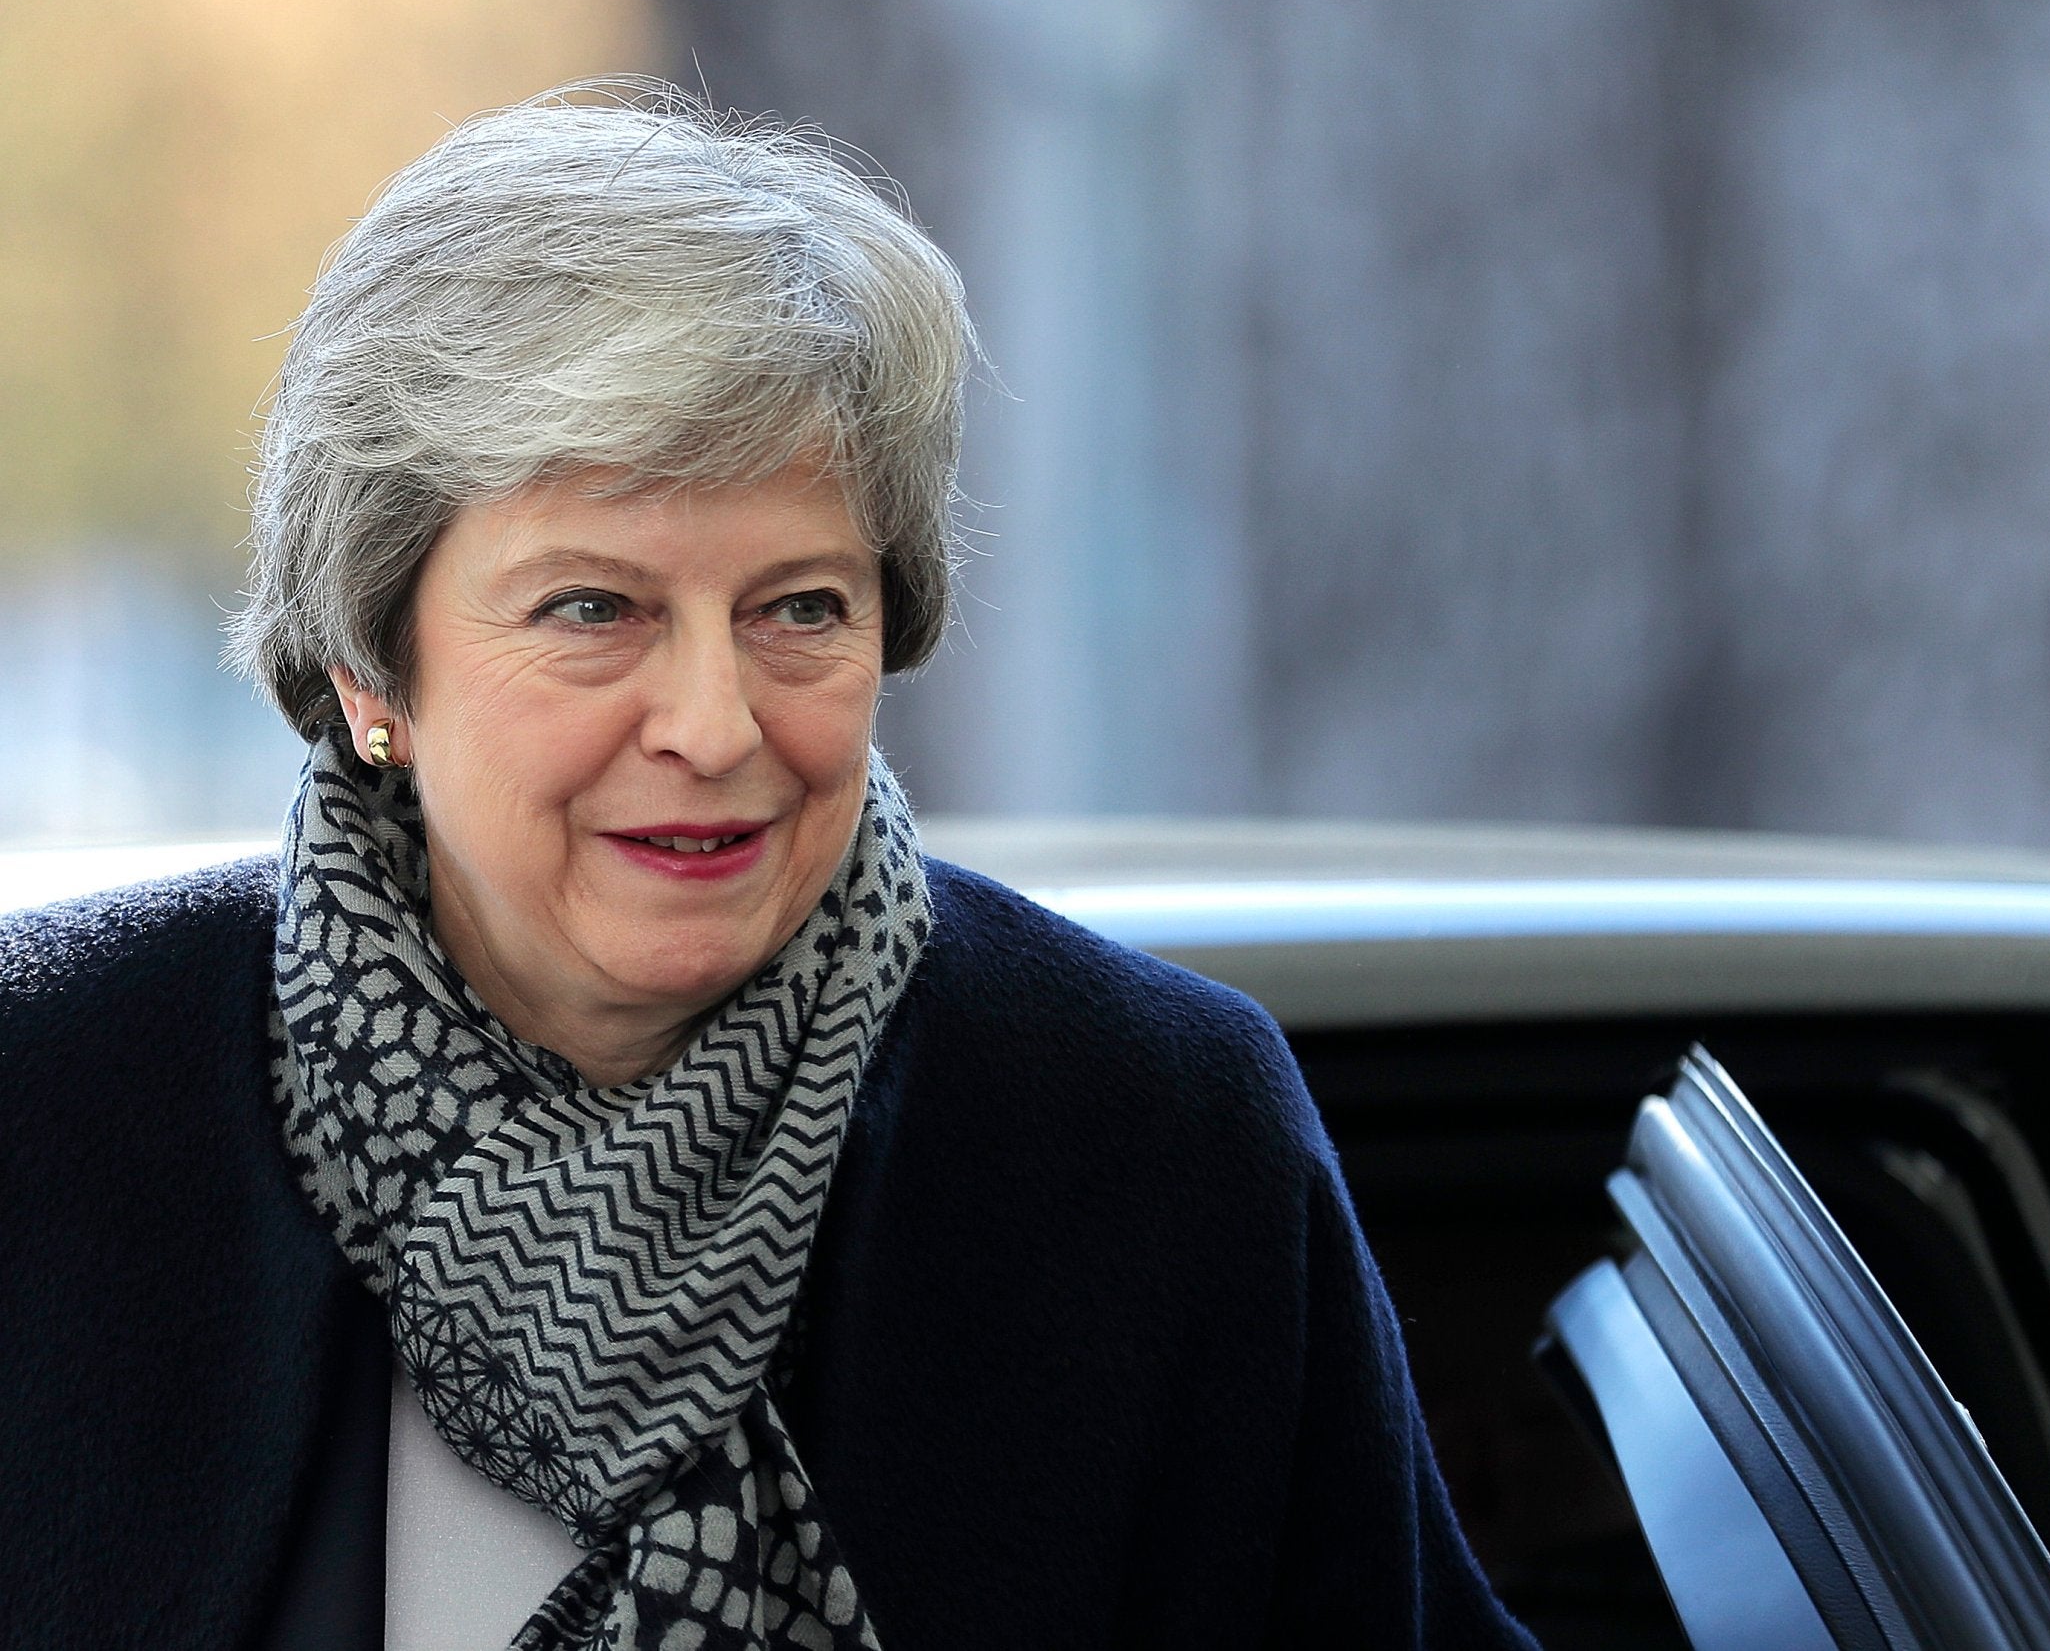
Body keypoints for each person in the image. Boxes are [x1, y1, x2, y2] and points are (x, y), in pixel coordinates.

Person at [0, 86, 1537, 1651]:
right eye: (594, 608)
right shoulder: (48, 1102)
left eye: (799, 607)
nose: (714, 723)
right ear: (371, 667)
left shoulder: (1158, 1141)